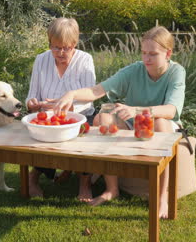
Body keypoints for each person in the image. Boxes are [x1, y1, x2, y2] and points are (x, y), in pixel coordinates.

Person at [52, 26, 185, 218]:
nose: (146, 59)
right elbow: (97, 91)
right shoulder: (134, 71)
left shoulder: (176, 72)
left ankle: (162, 197)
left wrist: (137, 110)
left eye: (153, 54)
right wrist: (71, 94)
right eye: (144, 53)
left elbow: (171, 110)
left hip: (160, 122)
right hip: (133, 122)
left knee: (161, 123)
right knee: (102, 118)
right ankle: (111, 189)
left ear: (168, 53)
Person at [25, 17, 96, 201]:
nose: (60, 52)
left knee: (83, 136)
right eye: (55, 47)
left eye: (66, 47)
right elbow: (32, 95)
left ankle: (84, 182)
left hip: (79, 117)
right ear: (49, 43)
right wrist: (31, 103)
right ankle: (33, 177)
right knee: (43, 134)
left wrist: (69, 105)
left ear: (75, 44)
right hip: (48, 117)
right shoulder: (41, 59)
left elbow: (90, 99)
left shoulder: (85, 60)